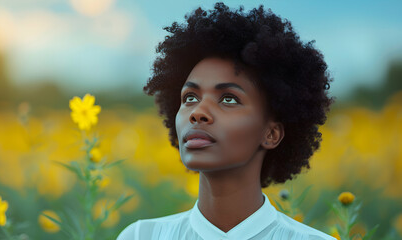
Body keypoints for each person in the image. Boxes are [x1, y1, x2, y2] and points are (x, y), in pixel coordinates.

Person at [117, 2, 337, 240]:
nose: (198, 112)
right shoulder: (142, 236)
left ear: (271, 134)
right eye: (190, 97)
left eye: (229, 99)